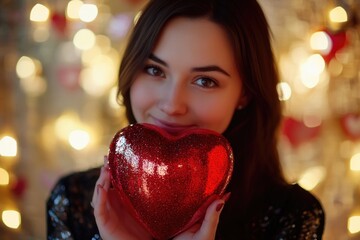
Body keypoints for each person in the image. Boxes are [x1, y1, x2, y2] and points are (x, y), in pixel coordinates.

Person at [47, 0, 325, 239]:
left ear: (245, 93)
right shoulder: (74, 202)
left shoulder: (291, 217)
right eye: (155, 70)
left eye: (205, 81)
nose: (171, 105)